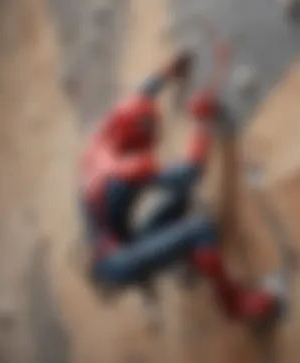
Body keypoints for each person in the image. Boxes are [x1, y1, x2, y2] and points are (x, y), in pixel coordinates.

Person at [80, 51, 281, 321]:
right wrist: (201, 121)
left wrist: (168, 71)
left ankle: (182, 253)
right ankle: (231, 302)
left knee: (180, 198)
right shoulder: (127, 168)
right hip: (118, 262)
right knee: (199, 228)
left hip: (116, 242)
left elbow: (140, 98)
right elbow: (191, 172)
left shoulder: (102, 138)